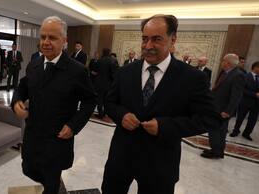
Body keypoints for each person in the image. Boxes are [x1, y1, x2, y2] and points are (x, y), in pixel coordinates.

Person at [101, 14, 220, 194]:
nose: (148, 46)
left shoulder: (192, 78)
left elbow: (209, 118)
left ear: (173, 40)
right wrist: (121, 115)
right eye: (144, 39)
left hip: (160, 163)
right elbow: (110, 102)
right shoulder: (125, 72)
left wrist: (165, 126)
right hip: (121, 157)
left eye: (156, 39)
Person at [11, 16, 96, 194]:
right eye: (43, 37)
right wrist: (17, 101)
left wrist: (73, 126)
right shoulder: (33, 65)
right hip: (33, 134)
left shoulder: (77, 71)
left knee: (50, 181)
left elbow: (90, 101)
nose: (46, 42)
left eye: (52, 38)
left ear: (64, 41)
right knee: (29, 169)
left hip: (57, 138)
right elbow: (22, 87)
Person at [201, 54, 245, 159]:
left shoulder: (238, 75)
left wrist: (228, 111)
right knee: (218, 130)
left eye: (223, 61)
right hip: (217, 107)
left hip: (223, 110)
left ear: (228, 63)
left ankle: (216, 152)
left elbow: (236, 96)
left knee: (215, 130)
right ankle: (218, 151)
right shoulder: (225, 72)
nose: (222, 62)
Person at [229, 61, 259, 141]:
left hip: (256, 104)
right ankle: (235, 131)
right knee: (240, 118)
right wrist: (254, 95)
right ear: (255, 67)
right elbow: (242, 89)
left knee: (252, 120)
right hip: (245, 101)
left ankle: (247, 133)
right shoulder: (245, 76)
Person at [94, 48, 118, 119]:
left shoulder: (99, 60)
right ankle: (104, 113)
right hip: (108, 83)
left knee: (99, 99)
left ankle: (100, 113)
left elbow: (95, 70)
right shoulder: (112, 61)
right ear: (109, 53)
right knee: (106, 100)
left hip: (99, 83)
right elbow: (114, 73)